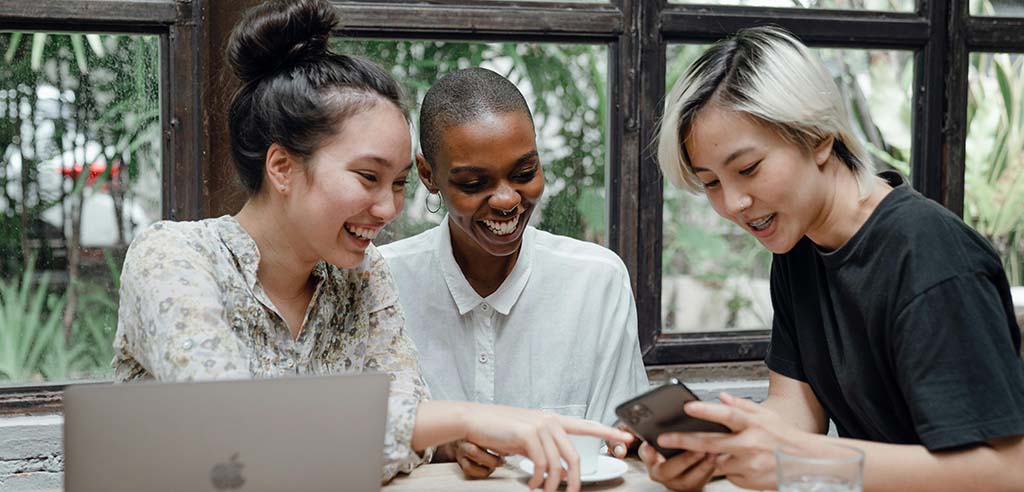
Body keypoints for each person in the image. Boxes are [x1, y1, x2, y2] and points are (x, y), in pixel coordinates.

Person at [110, 2, 631, 491]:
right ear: (282, 167)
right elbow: (231, 441)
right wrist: (467, 417)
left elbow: (411, 438)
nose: (388, 209)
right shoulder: (174, 258)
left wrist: (420, 433)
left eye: (400, 183)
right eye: (368, 177)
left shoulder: (361, 276)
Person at [646, 26, 1024, 492]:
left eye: (748, 169)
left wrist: (808, 458)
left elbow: (1009, 471)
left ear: (819, 136)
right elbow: (795, 413)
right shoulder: (796, 242)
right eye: (711, 183)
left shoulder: (931, 256)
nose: (733, 204)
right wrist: (715, 452)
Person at [379, 67, 649, 479]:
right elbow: (351, 436)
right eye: (473, 183)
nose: (507, 200)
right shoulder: (383, 283)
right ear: (428, 175)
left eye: (525, 174)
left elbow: (620, 444)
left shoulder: (596, 281)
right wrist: (445, 442)